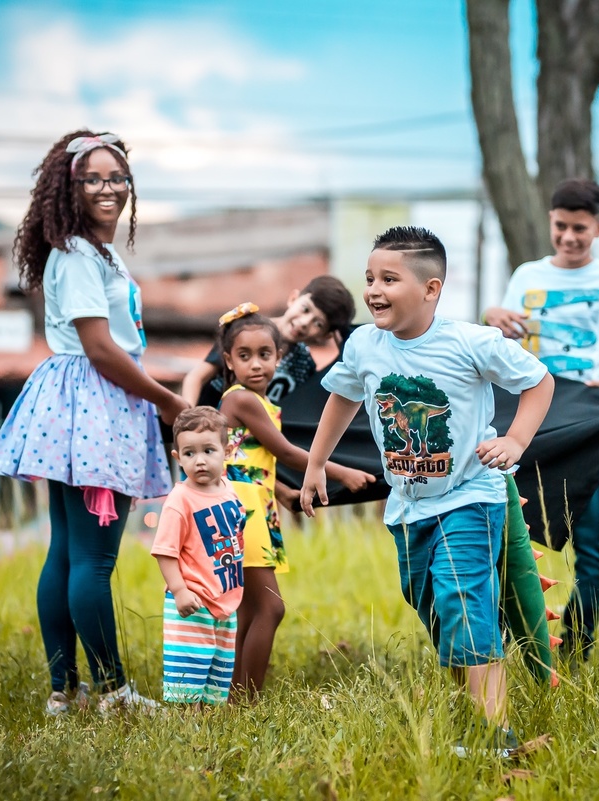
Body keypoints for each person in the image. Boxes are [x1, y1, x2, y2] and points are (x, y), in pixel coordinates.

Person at [301, 226, 555, 755]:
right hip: (408, 507)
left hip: (470, 498)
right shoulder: (365, 344)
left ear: (431, 288)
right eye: (369, 277)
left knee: (465, 605)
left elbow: (539, 381)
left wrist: (514, 438)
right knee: (434, 608)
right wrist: (316, 463)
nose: (373, 289)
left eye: (389, 279)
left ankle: (497, 738)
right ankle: (477, 712)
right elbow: (343, 397)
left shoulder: (471, 343)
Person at [0, 130, 188, 715]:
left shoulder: (96, 252)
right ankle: (112, 693)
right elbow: (101, 348)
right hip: (95, 403)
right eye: (94, 178)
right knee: (93, 559)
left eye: (118, 177)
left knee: (70, 553)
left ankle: (63, 691)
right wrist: (168, 404)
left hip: (86, 401)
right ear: (68, 187)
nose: (109, 188)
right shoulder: (76, 253)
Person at [483, 178, 599, 660]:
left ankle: (579, 644)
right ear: (550, 222)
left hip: (587, 424)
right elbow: (501, 342)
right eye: (561, 226)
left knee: (590, 544)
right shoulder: (527, 275)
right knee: (509, 533)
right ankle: (512, 635)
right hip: (529, 423)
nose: (570, 237)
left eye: (580, 228)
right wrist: (493, 314)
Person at [215, 303, 375, 699]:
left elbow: (245, 462)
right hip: (242, 512)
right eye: (245, 356)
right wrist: (339, 471)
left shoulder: (261, 402)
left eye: (265, 355)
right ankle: (245, 700)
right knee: (271, 609)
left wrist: (282, 493)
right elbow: (285, 452)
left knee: (251, 609)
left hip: (254, 506)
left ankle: (236, 696)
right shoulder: (242, 399)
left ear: (279, 357)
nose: (256, 365)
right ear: (228, 362)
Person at [151, 407, 246, 707]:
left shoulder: (228, 488)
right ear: (178, 458)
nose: (200, 460)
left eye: (208, 450)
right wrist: (179, 590)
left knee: (217, 676)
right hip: (193, 601)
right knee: (189, 677)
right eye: (190, 454)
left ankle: (208, 723)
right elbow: (165, 551)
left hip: (225, 599)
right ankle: (186, 726)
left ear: (227, 451)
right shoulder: (180, 500)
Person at [180, 275, 356, 409]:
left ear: (325, 336)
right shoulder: (246, 330)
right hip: (213, 426)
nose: (304, 322)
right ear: (293, 298)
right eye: (305, 309)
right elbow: (196, 377)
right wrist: (189, 416)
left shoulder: (303, 364)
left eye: (318, 324)